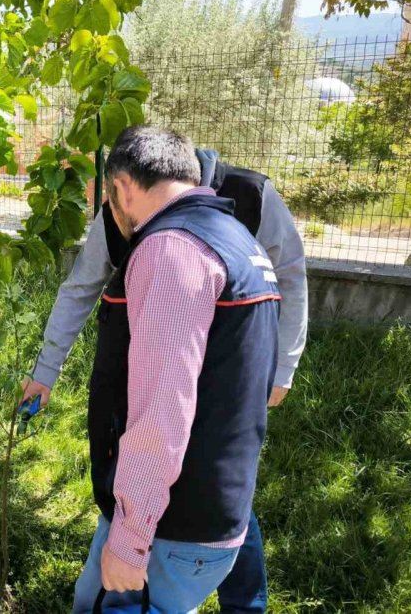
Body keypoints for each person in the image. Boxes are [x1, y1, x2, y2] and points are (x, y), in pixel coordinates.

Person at [24, 145, 307, 614]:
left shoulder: (173, 250)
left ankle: (241, 601)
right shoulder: (231, 238)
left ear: (122, 186)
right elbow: (80, 287)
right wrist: (44, 371)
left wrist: (131, 541)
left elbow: (162, 413)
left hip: (171, 514)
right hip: (204, 494)